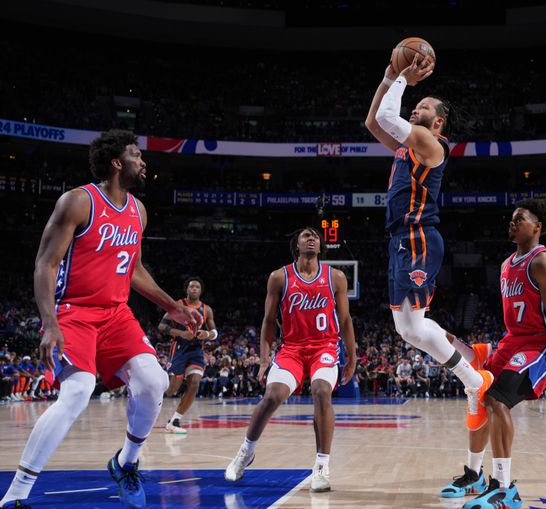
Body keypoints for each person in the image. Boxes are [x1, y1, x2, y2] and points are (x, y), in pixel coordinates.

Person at [0, 130, 201, 509]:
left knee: (154, 380)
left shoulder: (138, 211)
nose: (143, 162)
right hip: (73, 312)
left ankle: (125, 462)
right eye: (136, 155)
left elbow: (134, 270)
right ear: (116, 162)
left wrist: (170, 306)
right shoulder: (78, 202)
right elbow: (46, 263)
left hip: (116, 314)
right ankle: (17, 494)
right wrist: (51, 323)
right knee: (76, 392)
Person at [365, 53, 492, 429]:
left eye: (421, 106)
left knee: (415, 327)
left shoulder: (432, 145)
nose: (415, 107)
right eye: (415, 105)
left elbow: (389, 117)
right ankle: (471, 359)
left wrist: (402, 78)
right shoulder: (408, 146)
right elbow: (374, 121)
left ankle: (473, 379)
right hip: (400, 239)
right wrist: (388, 77)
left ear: (437, 121)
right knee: (406, 329)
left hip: (418, 236)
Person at [440, 199, 546, 509]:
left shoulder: (543, 262)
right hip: (513, 341)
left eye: (519, 219)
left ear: (537, 226)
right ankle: (475, 476)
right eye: (511, 220)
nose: (511, 224)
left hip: (540, 343)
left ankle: (504, 487)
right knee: (480, 392)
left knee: (498, 399)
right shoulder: (505, 264)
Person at [225, 227, 357, 493]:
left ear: (320, 247)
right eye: (306, 235)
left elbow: (344, 320)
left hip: (325, 347)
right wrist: (264, 360)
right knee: (272, 396)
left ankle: (321, 467)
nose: (312, 238)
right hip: (292, 349)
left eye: (315, 237)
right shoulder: (279, 277)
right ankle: (246, 451)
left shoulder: (336, 277)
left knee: (321, 391)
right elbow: (268, 321)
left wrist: (352, 356)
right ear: (296, 244)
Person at [161, 277, 218, 434]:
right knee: (171, 390)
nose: (194, 289)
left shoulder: (206, 309)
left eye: (197, 287)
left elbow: (215, 333)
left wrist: (206, 334)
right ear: (186, 289)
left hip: (196, 350)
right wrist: (181, 333)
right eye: (191, 286)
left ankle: (175, 420)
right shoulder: (177, 305)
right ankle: (151, 390)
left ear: (200, 291)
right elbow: (162, 326)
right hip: (179, 347)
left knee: (194, 383)